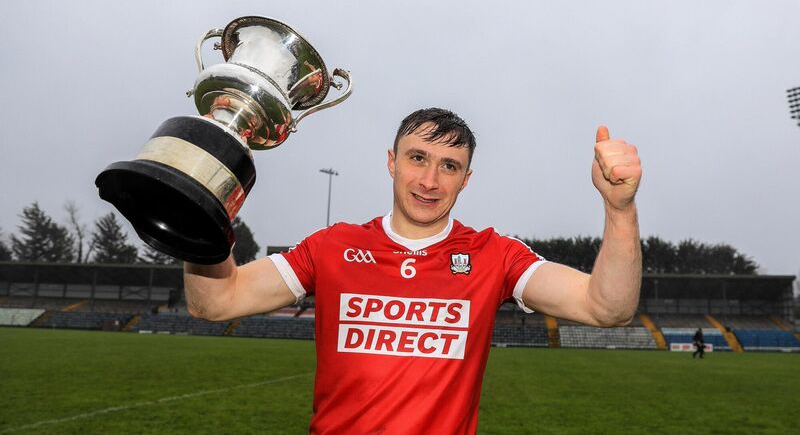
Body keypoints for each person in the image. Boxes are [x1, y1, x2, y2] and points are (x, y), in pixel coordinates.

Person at [184, 108, 643, 434]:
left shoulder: (494, 254)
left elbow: (608, 308)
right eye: (417, 158)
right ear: (392, 161)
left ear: (467, 179)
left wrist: (618, 208)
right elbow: (215, 301)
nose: (430, 181)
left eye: (450, 166)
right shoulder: (334, 246)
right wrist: (200, 205)